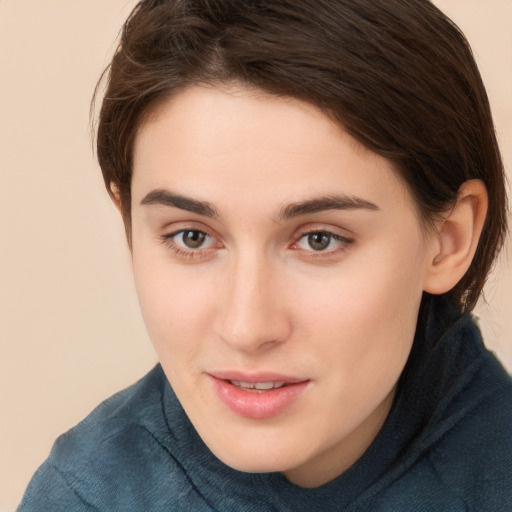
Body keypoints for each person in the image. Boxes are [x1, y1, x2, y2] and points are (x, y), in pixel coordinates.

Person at [18, 0, 511, 510]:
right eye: (191, 237)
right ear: (129, 227)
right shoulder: (83, 497)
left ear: (448, 239)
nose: (247, 328)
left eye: (320, 239)